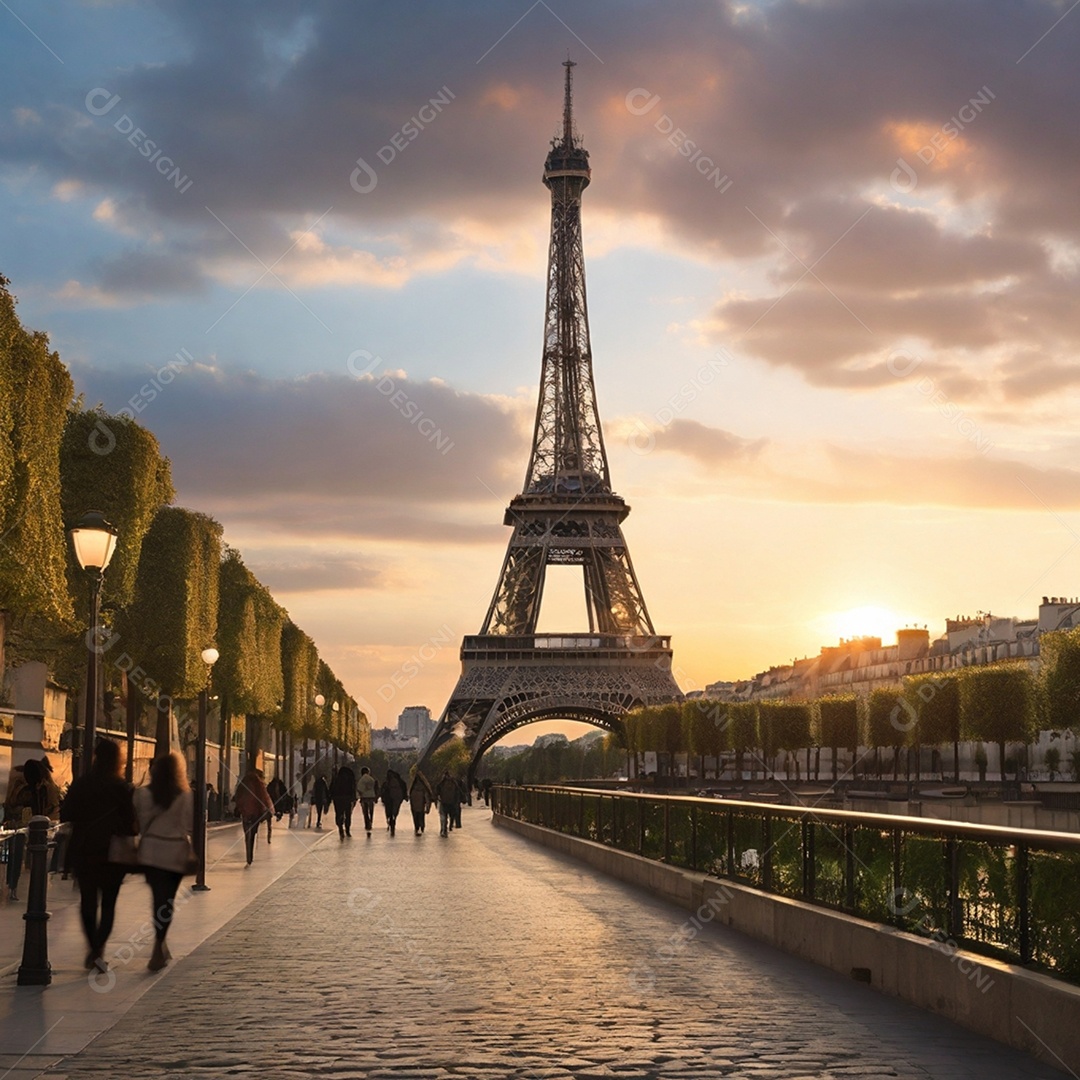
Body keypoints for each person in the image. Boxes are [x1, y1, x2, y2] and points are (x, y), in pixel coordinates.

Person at [59, 739, 137, 972]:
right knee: (109, 904)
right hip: (111, 854)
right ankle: (98, 948)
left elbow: (66, 813)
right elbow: (131, 826)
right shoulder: (120, 787)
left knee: (88, 902)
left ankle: (92, 948)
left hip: (85, 850)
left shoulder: (82, 784)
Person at [135, 752, 194, 972]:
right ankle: (159, 945)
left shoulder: (142, 794)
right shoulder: (186, 796)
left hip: (150, 851)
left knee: (157, 898)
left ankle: (160, 945)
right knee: (166, 901)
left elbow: (138, 823)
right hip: (175, 851)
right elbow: (189, 825)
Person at [234, 769, 273, 866]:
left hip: (246, 813)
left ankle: (248, 854)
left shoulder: (244, 782)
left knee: (247, 833)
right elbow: (264, 797)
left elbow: (238, 795)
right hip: (256, 813)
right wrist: (269, 809)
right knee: (253, 834)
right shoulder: (259, 784)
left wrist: (240, 807)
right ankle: (250, 856)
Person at [330, 765, 356, 840]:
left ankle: (340, 827)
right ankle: (347, 830)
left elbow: (332, 788)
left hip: (337, 798)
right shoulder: (350, 778)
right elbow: (353, 788)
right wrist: (353, 798)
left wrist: (331, 796)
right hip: (347, 798)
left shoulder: (336, 778)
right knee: (348, 814)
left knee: (338, 813)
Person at [381, 769, 407, 837]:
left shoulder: (386, 783)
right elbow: (404, 788)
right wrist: (404, 796)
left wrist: (382, 798)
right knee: (395, 812)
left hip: (388, 799)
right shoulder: (400, 782)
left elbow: (382, 791)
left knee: (389, 812)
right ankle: (393, 820)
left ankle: (390, 821)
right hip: (396, 799)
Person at [436, 771, 459, 838]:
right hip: (452, 803)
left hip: (443, 802)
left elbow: (437, 790)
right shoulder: (454, 783)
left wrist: (436, 798)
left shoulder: (442, 783)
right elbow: (458, 792)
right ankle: (450, 826)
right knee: (450, 816)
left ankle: (444, 830)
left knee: (444, 816)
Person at [357, 766, 378, 836]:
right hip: (371, 796)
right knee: (371, 811)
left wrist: (360, 795)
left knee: (365, 812)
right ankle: (371, 822)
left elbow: (359, 788)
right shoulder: (371, 779)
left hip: (364, 797)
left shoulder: (362, 779)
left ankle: (367, 823)